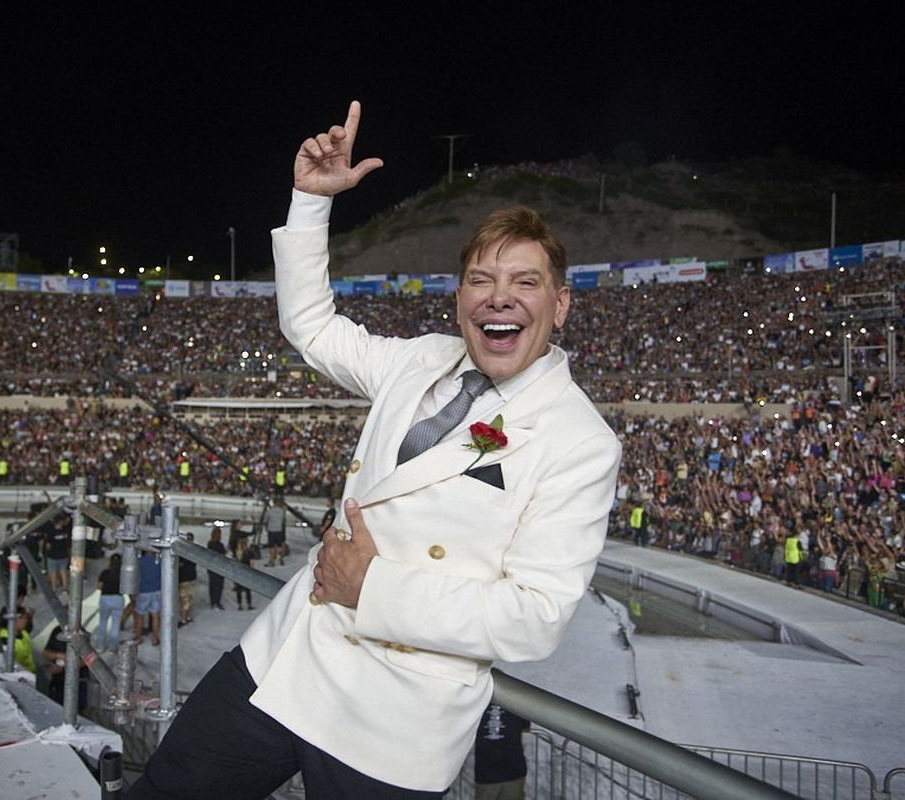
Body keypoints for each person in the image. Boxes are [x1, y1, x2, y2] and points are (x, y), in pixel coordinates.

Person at [131, 101, 621, 798]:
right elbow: (311, 326)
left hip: (396, 719)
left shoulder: (580, 440)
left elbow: (534, 619)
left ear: (561, 304)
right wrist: (308, 202)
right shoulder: (419, 362)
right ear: (459, 300)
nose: (497, 298)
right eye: (481, 280)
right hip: (287, 657)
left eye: (524, 282)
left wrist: (373, 588)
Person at [473, 704, 529, 800]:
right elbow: (526, 726)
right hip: (513, 770)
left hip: (486, 772)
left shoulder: (478, 704)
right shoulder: (517, 703)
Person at [96, 554, 124, 652]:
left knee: (103, 622)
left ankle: (100, 645)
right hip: (118, 599)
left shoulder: (105, 572)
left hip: (105, 598)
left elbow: (99, 586)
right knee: (116, 624)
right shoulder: (123, 574)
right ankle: (113, 646)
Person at [135, 550, 161, 646]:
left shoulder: (139, 561)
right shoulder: (159, 561)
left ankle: (138, 637)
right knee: (155, 616)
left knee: (140, 615)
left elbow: (136, 576)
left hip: (143, 591)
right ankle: (155, 637)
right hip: (157, 590)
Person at [43, 513, 71, 597]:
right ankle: (65, 588)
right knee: (63, 572)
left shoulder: (51, 532)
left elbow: (48, 546)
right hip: (63, 555)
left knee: (53, 573)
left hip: (53, 556)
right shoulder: (65, 531)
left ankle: (54, 588)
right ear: (61, 521)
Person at [178, 531, 197, 625]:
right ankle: (188, 616)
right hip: (192, 577)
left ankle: (183, 618)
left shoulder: (181, 551)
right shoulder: (194, 550)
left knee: (183, 599)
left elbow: (179, 564)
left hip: (183, 578)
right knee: (189, 598)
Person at [205, 526, 227, 610]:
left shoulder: (210, 543)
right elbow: (223, 555)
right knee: (219, 585)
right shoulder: (220, 545)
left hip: (211, 567)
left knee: (212, 585)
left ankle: (213, 601)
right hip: (220, 567)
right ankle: (217, 601)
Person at [233, 534, 256, 611]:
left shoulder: (237, 553)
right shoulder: (249, 553)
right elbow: (252, 564)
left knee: (239, 590)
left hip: (239, 572)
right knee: (247, 590)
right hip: (247, 572)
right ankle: (249, 604)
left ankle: (240, 605)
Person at [265, 494, 287, 566]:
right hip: (279, 530)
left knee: (271, 546)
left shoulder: (269, 511)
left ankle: (271, 560)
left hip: (271, 530)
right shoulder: (282, 511)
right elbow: (283, 521)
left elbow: (266, 520)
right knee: (279, 545)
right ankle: (280, 559)